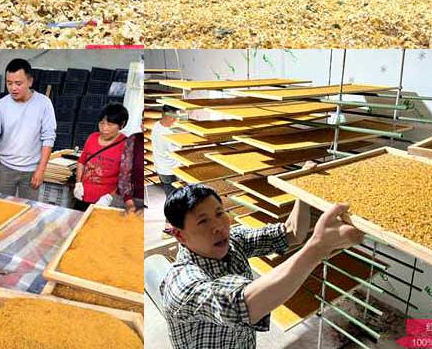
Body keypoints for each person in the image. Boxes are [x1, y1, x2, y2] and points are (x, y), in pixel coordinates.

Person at [160, 185, 364, 348]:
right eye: (203, 221)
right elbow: (242, 305)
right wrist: (318, 247)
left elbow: (291, 233)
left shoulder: (234, 241)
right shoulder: (181, 283)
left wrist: (303, 190)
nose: (219, 227)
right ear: (180, 235)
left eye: (220, 213)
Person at [0, 59, 56, 199]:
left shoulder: (44, 104)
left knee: (29, 211)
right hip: (5, 169)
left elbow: (48, 138)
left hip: (31, 170)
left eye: (18, 83)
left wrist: (41, 170)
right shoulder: (0, 106)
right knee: (2, 208)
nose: (13, 88)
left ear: (30, 81)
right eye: (9, 83)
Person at [73, 103, 129, 210]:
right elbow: (82, 161)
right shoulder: (92, 138)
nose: (104, 129)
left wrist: (109, 197)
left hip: (105, 200)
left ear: (121, 125)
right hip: (83, 196)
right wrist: (78, 183)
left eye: (110, 125)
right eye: (102, 123)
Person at [151, 105, 180, 198]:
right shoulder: (166, 134)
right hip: (169, 170)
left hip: (161, 167)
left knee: (170, 193)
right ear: (169, 117)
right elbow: (178, 151)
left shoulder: (156, 125)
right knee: (173, 196)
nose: (175, 120)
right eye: (175, 117)